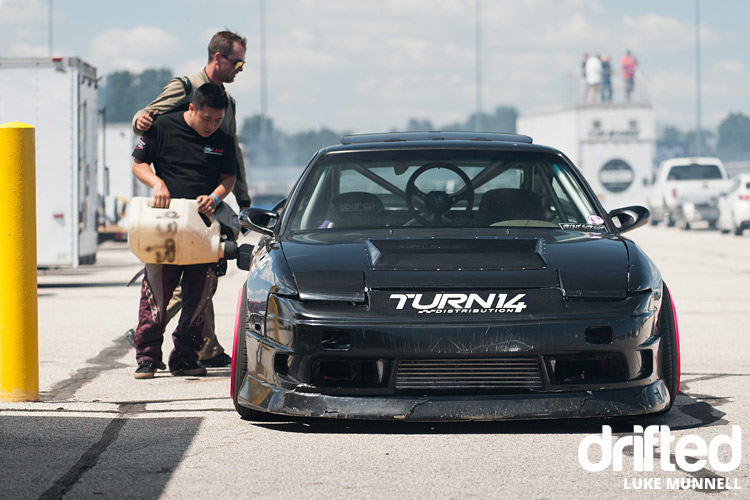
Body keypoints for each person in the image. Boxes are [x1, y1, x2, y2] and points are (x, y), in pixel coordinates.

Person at [127, 30, 250, 368]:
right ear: (218, 58)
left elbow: (232, 160)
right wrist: (156, 181)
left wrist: (236, 197)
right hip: (168, 216)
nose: (240, 68)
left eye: (217, 119)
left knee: (201, 289)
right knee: (160, 286)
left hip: (202, 218)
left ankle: (192, 353)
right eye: (237, 62)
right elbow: (146, 120)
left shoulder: (226, 110)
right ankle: (146, 349)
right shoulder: (184, 88)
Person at [131, 83, 237, 379]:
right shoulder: (162, 127)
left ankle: (186, 357)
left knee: (199, 297)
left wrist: (215, 196)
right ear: (191, 108)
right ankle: (148, 357)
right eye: (207, 119)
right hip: (164, 224)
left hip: (202, 227)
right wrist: (156, 184)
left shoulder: (223, 138)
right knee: (156, 293)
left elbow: (228, 178)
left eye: (218, 121)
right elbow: (138, 164)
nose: (212, 126)